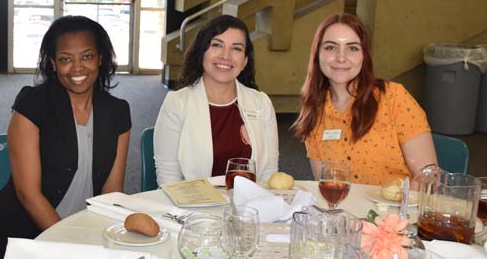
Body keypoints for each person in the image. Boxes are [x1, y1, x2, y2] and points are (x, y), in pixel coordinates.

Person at [0, 16, 131, 259]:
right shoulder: (33, 105)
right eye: (66, 58)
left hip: (82, 234)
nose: (77, 67)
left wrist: (104, 244)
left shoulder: (118, 111)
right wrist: (69, 249)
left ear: (101, 58)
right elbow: (28, 194)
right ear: (53, 63)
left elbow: (112, 192)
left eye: (88, 56)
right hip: (22, 238)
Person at [292, 12, 437, 185]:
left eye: (352, 48)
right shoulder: (314, 113)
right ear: (317, 55)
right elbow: (325, 186)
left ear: (364, 56)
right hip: (345, 210)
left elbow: (429, 178)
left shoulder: (394, 98)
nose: (341, 57)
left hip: (396, 210)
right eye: (331, 47)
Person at [154, 15, 279, 184]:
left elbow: (269, 174)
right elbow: (168, 179)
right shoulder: (177, 103)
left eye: (236, 48)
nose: (225, 56)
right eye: (217, 45)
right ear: (202, 53)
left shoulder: (261, 103)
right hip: (192, 206)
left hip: (249, 206)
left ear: (245, 61)